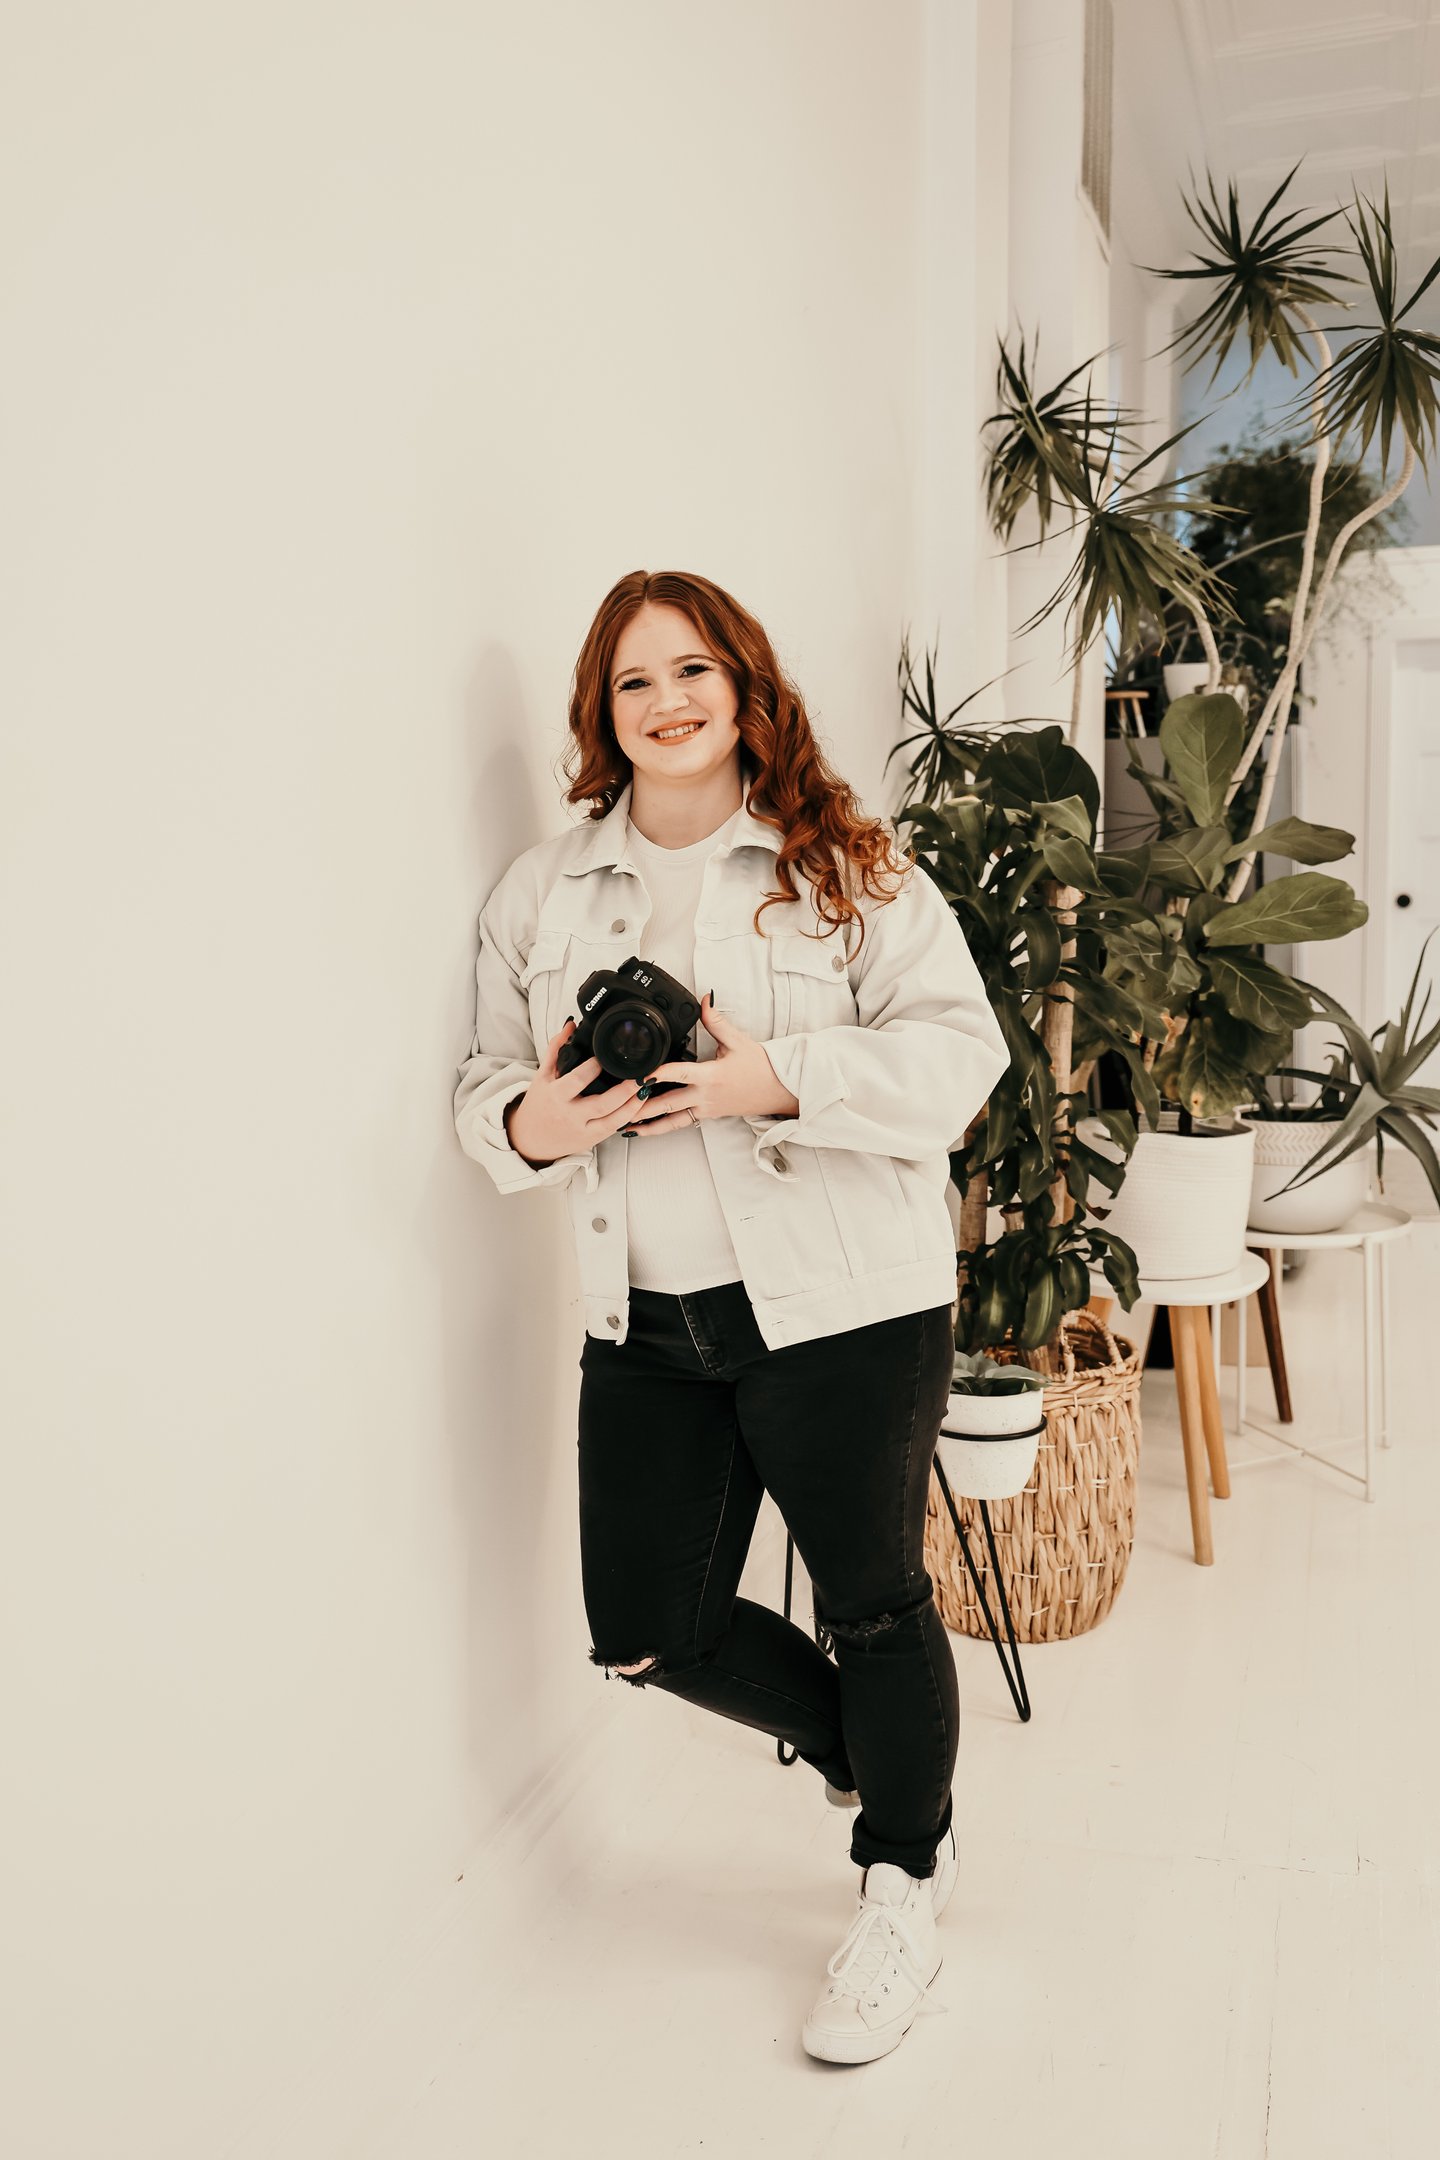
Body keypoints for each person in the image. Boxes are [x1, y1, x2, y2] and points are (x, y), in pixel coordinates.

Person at [454, 569, 1009, 2065]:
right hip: (644, 1320)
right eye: (634, 682)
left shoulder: (849, 866)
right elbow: (480, 1088)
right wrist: (533, 1125)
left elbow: (963, 1057)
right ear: (601, 713)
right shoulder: (543, 891)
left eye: (694, 669)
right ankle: (885, 1760)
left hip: (846, 1306)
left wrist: (780, 1077)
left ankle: (901, 1882)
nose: (668, 702)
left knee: (878, 1602)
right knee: (643, 1628)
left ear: (745, 686)